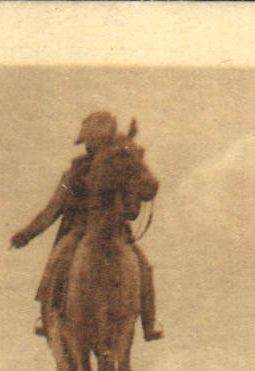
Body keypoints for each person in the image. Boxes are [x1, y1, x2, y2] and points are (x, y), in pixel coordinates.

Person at [11, 111, 162, 342]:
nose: (90, 145)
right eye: (88, 141)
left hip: (117, 233)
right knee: (57, 263)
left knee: (144, 269)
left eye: (92, 140)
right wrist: (27, 234)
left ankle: (149, 324)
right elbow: (53, 209)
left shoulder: (122, 167)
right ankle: (49, 316)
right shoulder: (75, 173)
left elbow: (139, 199)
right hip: (79, 232)